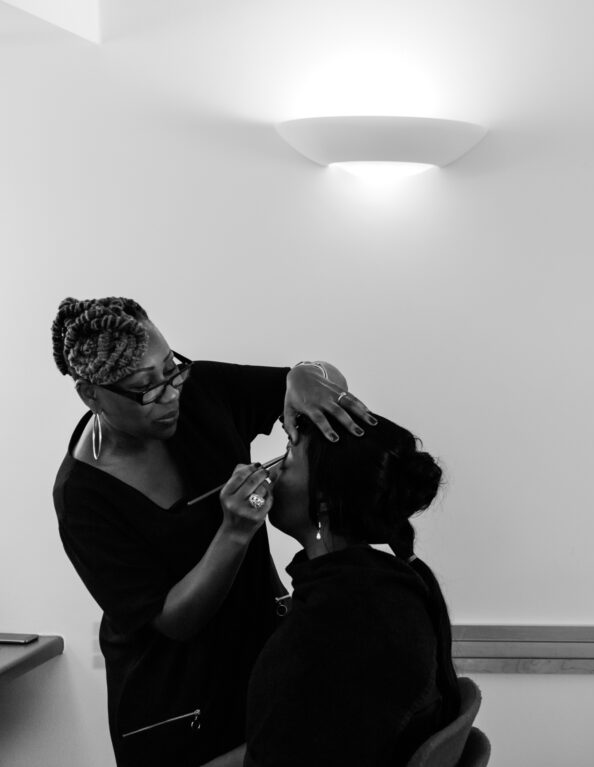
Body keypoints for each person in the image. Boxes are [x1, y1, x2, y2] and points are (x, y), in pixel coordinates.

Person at [50, 296, 375, 767]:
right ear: (91, 394)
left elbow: (306, 390)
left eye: (171, 370)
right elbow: (173, 621)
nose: (170, 395)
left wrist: (307, 372)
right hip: (176, 705)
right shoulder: (83, 497)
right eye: (146, 389)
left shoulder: (200, 391)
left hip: (261, 662)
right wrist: (235, 531)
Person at [243, 410, 461, 767]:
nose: (271, 469)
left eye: (288, 455)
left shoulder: (335, 627)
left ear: (324, 498)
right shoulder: (383, 587)